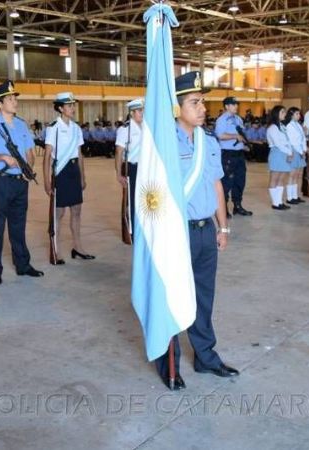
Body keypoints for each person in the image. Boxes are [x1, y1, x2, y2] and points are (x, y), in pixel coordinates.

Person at [156, 71, 238, 391]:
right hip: (177, 233)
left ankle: (205, 356)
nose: (203, 108)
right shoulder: (163, 143)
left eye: (203, 102)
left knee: (203, 297)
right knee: (172, 300)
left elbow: (216, 184)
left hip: (206, 232)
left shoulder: (208, 141)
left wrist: (224, 226)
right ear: (178, 109)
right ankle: (170, 364)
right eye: (195, 102)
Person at [0, 80, 44, 285]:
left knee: (19, 225)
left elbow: (30, 152)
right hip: (1, 182)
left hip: (20, 182)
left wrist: (28, 169)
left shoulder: (22, 124)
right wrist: (2, 158)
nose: (15, 101)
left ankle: (23, 265)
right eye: (10, 99)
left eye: (15, 98)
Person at [44, 92, 95, 261]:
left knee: (77, 211)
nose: (73, 108)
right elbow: (47, 156)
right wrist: (46, 181)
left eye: (73, 105)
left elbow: (79, 154)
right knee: (59, 213)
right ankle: (56, 249)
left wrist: (83, 176)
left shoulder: (76, 128)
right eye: (69, 105)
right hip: (61, 172)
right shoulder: (54, 128)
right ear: (60, 108)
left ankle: (78, 248)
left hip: (74, 171)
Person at [216, 96, 253, 217]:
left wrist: (244, 144)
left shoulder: (238, 119)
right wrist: (235, 136)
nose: (236, 106)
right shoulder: (222, 119)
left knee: (240, 181)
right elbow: (220, 135)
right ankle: (224, 208)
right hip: (228, 154)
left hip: (239, 154)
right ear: (227, 106)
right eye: (233, 104)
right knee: (226, 182)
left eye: (237, 104)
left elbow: (241, 134)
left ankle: (238, 206)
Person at [115, 98, 144, 234]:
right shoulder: (125, 129)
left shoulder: (146, 126)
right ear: (132, 113)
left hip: (144, 168)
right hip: (131, 167)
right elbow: (118, 152)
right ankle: (131, 230)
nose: (142, 113)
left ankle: (142, 227)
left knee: (143, 199)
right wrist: (118, 174)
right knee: (131, 200)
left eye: (143, 110)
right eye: (139, 111)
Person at [265, 106, 292, 210]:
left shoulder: (282, 126)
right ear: (276, 114)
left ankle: (279, 201)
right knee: (274, 178)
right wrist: (289, 152)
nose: (285, 114)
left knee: (281, 178)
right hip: (277, 153)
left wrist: (289, 151)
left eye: (285, 112)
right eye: (282, 112)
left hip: (284, 153)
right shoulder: (272, 127)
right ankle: (275, 203)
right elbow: (278, 143)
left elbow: (287, 140)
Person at [285, 107, 307, 205]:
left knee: (298, 175)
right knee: (292, 175)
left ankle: (296, 195)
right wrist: (301, 151)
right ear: (291, 115)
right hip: (295, 151)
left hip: (301, 151)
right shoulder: (289, 126)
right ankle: (290, 197)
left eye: (299, 114)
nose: (299, 115)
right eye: (297, 114)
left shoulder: (298, 125)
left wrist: (304, 150)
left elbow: (303, 139)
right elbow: (293, 142)